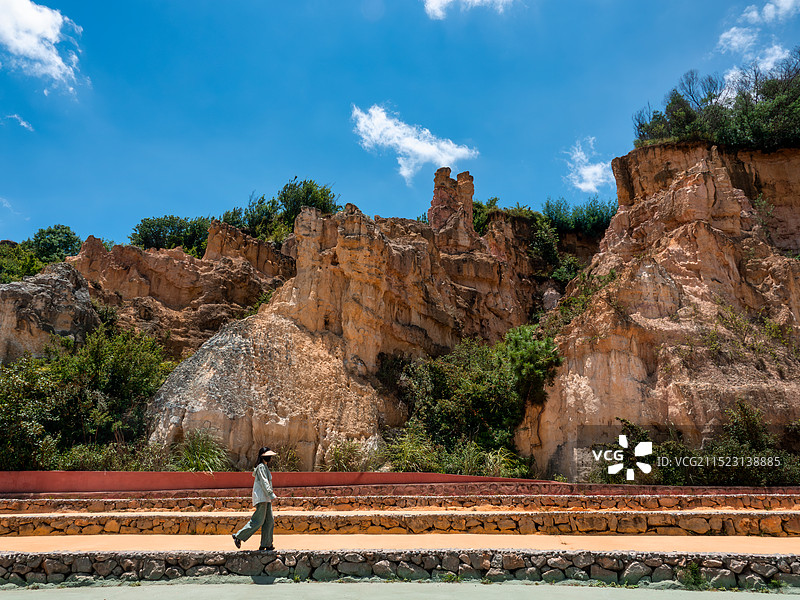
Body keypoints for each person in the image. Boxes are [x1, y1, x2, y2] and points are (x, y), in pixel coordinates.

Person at [232, 446, 277, 551]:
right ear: (262, 457)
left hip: (266, 499)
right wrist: (271, 493)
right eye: (268, 456)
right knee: (258, 521)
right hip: (262, 498)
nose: (270, 458)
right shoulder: (261, 467)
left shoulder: (265, 467)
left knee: (269, 522)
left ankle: (266, 544)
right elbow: (264, 482)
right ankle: (238, 536)